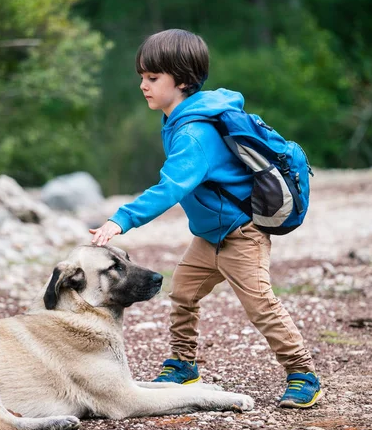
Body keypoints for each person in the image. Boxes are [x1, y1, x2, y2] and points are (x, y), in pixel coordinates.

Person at [90, 28, 323, 408]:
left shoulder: (194, 133)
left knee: (261, 306)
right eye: (142, 78)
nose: (143, 86)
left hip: (241, 235)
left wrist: (121, 220)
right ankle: (183, 365)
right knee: (183, 292)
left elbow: (171, 188)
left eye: (152, 78)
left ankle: (303, 373)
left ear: (181, 80)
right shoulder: (178, 119)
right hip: (209, 237)